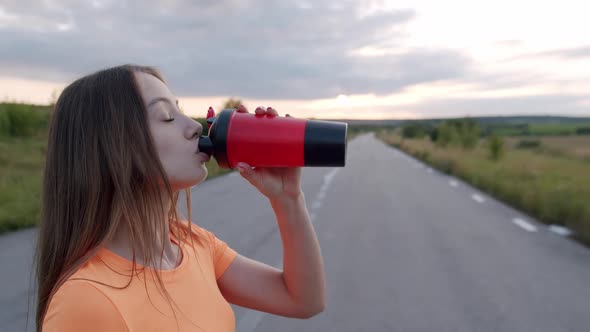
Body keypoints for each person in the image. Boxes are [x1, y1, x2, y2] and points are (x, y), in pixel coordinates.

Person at [36, 64, 325, 332]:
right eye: (168, 117)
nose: (196, 126)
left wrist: (288, 198)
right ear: (112, 147)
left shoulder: (194, 245)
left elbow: (302, 300)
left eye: (180, 110)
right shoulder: (88, 300)